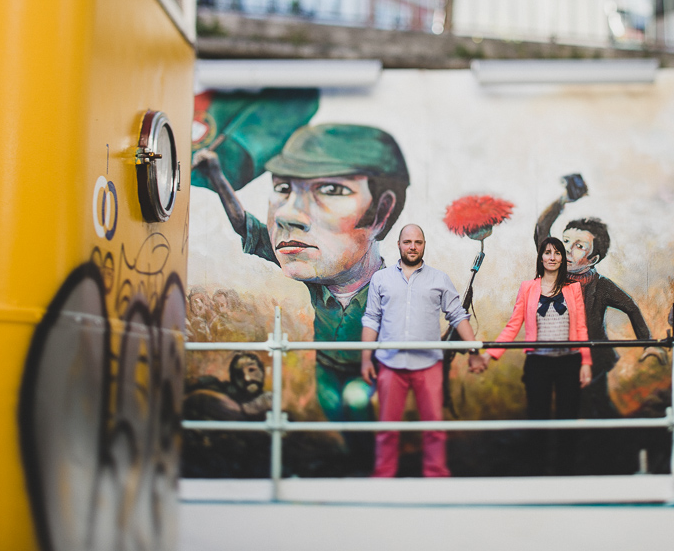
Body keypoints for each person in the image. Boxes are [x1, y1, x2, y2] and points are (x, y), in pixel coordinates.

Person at [193, 123, 409, 469]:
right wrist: (218, 178)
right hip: (327, 368)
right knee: (337, 414)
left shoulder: (391, 286)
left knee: (357, 403)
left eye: (332, 189)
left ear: (382, 213)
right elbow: (245, 225)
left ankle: (378, 468)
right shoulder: (315, 276)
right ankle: (360, 466)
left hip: (367, 371)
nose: (286, 214)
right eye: (282, 187)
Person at [535, 176, 662, 419]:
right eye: (565, 241)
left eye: (579, 246)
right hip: (558, 358)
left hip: (593, 361)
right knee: (565, 411)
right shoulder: (553, 270)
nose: (567, 249)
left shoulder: (601, 286)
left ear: (593, 259)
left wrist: (647, 342)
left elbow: (631, 307)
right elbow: (542, 230)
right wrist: (563, 200)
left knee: (595, 408)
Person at [360, 224, 477, 477]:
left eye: (418, 242)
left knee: (434, 426)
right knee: (387, 427)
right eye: (407, 242)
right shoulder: (380, 279)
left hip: (428, 364)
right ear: (399, 245)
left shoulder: (439, 279)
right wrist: (366, 359)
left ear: (424, 245)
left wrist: (474, 351)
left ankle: (436, 474)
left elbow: (458, 315)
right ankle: (383, 475)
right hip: (390, 364)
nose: (412, 247)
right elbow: (371, 318)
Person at [475, 237, 592, 474]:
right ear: (541, 257)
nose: (552, 257)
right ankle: (538, 474)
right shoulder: (528, 288)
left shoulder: (573, 289)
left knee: (568, 419)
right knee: (538, 418)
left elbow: (581, 327)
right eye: (547, 253)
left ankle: (566, 473)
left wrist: (586, 362)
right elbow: (513, 325)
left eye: (557, 253)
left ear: (563, 258)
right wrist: (490, 354)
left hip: (569, 362)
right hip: (538, 363)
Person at [183, 352, 272, 421]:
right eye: (239, 374)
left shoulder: (269, 399)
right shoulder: (220, 388)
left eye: (251, 370)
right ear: (233, 378)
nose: (247, 378)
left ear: (262, 371)